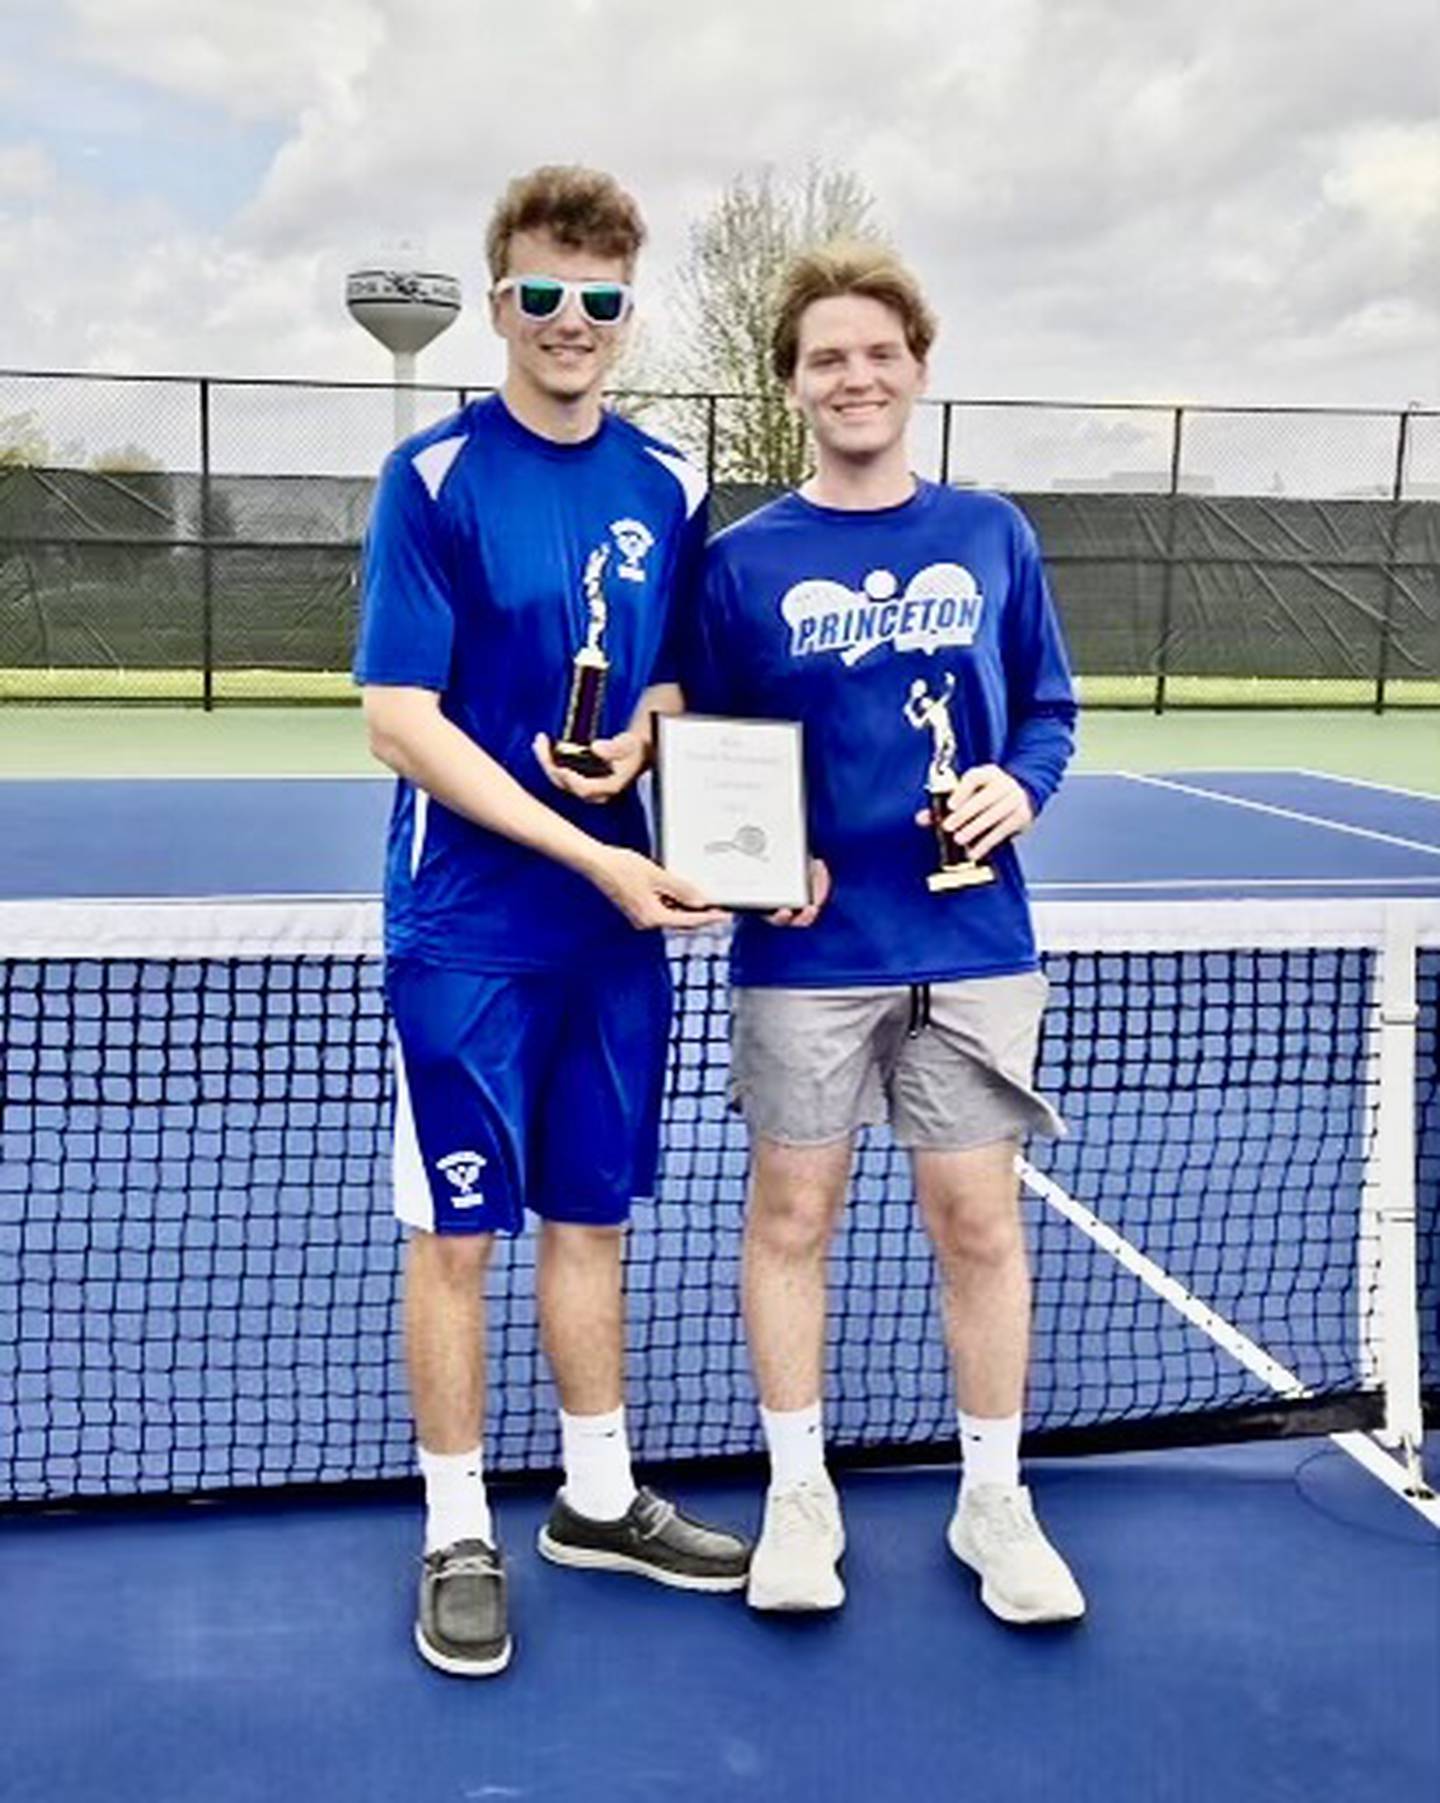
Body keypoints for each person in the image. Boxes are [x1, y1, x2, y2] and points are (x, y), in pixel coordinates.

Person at [355, 165, 750, 1679]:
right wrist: (586, 854)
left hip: (615, 932)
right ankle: (459, 1524)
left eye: (598, 298)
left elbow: (666, 677)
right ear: (498, 299)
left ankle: (595, 1495)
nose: (569, 322)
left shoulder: (668, 481)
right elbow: (400, 722)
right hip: (466, 927)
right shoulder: (436, 479)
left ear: (625, 310)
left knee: (593, 1218)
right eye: (540, 295)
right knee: (460, 1234)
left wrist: (640, 754)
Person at [683, 241, 1084, 1623]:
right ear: (791, 384)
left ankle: (994, 1501)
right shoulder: (741, 563)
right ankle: (801, 1497)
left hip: (975, 947)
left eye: (879, 353)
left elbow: (1045, 709)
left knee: (976, 1219)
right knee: (793, 1214)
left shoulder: (993, 536)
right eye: (826, 358)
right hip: (805, 954)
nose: (855, 376)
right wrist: (752, 856)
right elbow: (707, 742)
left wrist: (1015, 787)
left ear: (916, 367)